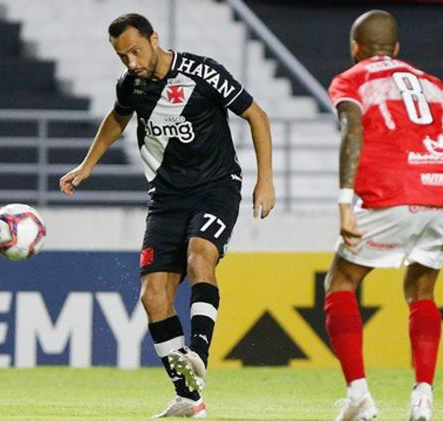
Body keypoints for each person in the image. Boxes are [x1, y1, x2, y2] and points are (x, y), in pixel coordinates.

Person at [59, 13, 275, 418]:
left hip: (216, 187)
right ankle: (190, 399)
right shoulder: (132, 84)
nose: (132, 62)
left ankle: (200, 355)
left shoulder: (202, 72)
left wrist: (266, 181)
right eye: (122, 56)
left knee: (199, 256)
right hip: (166, 200)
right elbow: (117, 118)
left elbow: (256, 115)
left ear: (154, 39)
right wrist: (87, 165)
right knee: (153, 296)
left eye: (136, 51)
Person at [324, 10, 443, 421]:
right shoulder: (435, 86)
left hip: (393, 191)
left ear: (355, 49)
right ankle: (422, 399)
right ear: (397, 49)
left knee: (340, 282)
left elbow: (353, 131)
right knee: (421, 292)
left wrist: (345, 203)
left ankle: (359, 397)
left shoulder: (353, 79)